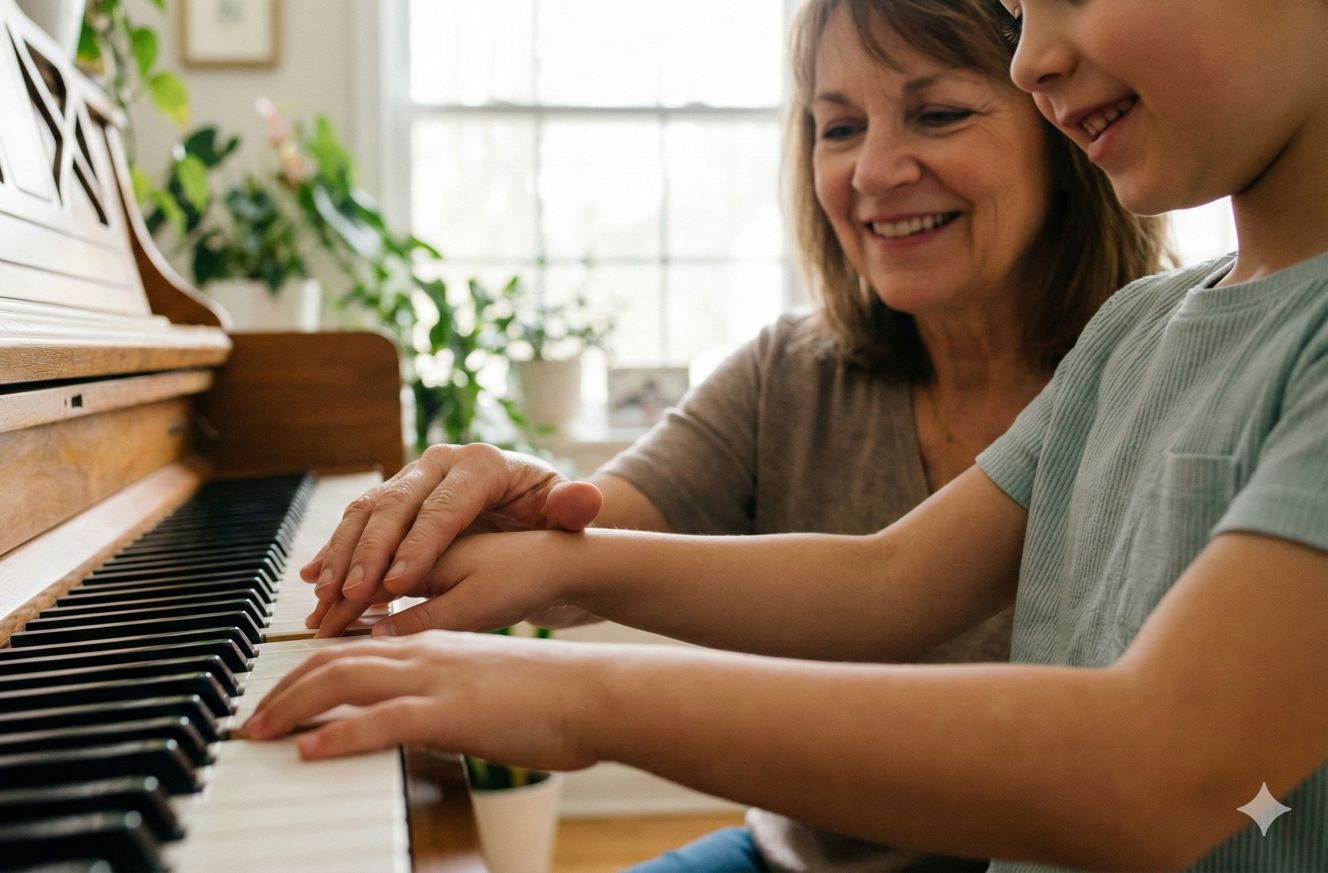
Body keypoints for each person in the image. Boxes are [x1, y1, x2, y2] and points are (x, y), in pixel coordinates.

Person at [248, 0, 1328, 869]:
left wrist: (576, 697)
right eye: (837, 124)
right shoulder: (1136, 332)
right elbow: (886, 581)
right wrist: (522, 561)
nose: (1031, 58)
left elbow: (1165, 771)